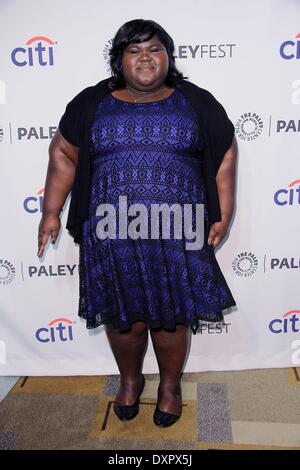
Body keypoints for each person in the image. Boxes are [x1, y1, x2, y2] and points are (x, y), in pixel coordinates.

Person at [37, 19, 237, 428]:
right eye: (135, 50)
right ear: (119, 59)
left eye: (155, 48)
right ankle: (130, 379)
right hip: (111, 232)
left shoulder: (196, 102)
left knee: (170, 315)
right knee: (120, 315)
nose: (145, 57)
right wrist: (51, 211)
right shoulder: (92, 102)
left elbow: (224, 154)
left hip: (178, 231)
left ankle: (168, 386)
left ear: (169, 56)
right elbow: (63, 152)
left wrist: (225, 211)